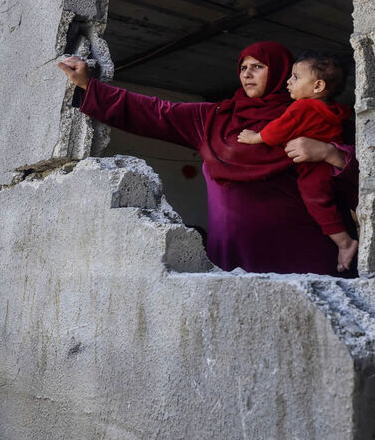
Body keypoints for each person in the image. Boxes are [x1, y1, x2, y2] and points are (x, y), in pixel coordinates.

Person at [57, 42, 357, 275]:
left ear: (280, 72)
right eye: (243, 67)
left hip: (305, 252)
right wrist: (89, 87)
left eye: (258, 66)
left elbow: (366, 175)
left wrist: (329, 153)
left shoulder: (316, 116)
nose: (247, 74)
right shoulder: (214, 118)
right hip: (233, 254)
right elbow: (155, 111)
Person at [237, 52, 357, 272]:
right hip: (334, 169)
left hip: (315, 169)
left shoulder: (302, 107)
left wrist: (255, 137)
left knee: (315, 199)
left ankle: (344, 243)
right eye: (243, 68)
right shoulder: (335, 110)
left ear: (318, 86)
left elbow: (278, 129)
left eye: (295, 77)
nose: (288, 82)